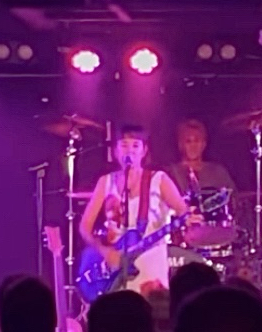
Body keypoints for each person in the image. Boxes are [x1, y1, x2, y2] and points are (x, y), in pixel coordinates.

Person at [79, 124, 202, 292]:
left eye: (135, 145)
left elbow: (183, 212)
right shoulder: (105, 182)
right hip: (116, 266)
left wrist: (189, 219)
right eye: (124, 145)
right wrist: (104, 251)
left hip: (151, 267)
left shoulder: (159, 180)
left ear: (144, 151)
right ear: (115, 151)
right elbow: (85, 227)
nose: (129, 151)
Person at [165, 119, 236, 194]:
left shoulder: (218, 172)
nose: (193, 146)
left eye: (197, 141)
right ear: (180, 145)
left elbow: (233, 196)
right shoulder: (172, 174)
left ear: (204, 144)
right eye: (188, 141)